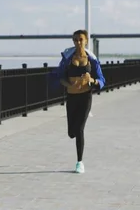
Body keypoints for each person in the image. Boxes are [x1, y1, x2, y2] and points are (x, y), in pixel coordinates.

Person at [55, 29, 105, 173]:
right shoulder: (68, 58)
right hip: (71, 97)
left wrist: (92, 80)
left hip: (85, 97)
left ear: (86, 41)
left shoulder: (92, 59)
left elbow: (102, 79)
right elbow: (61, 77)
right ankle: (75, 136)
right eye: (75, 39)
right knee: (72, 132)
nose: (78, 42)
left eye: (81, 39)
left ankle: (79, 163)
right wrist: (69, 84)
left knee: (80, 129)